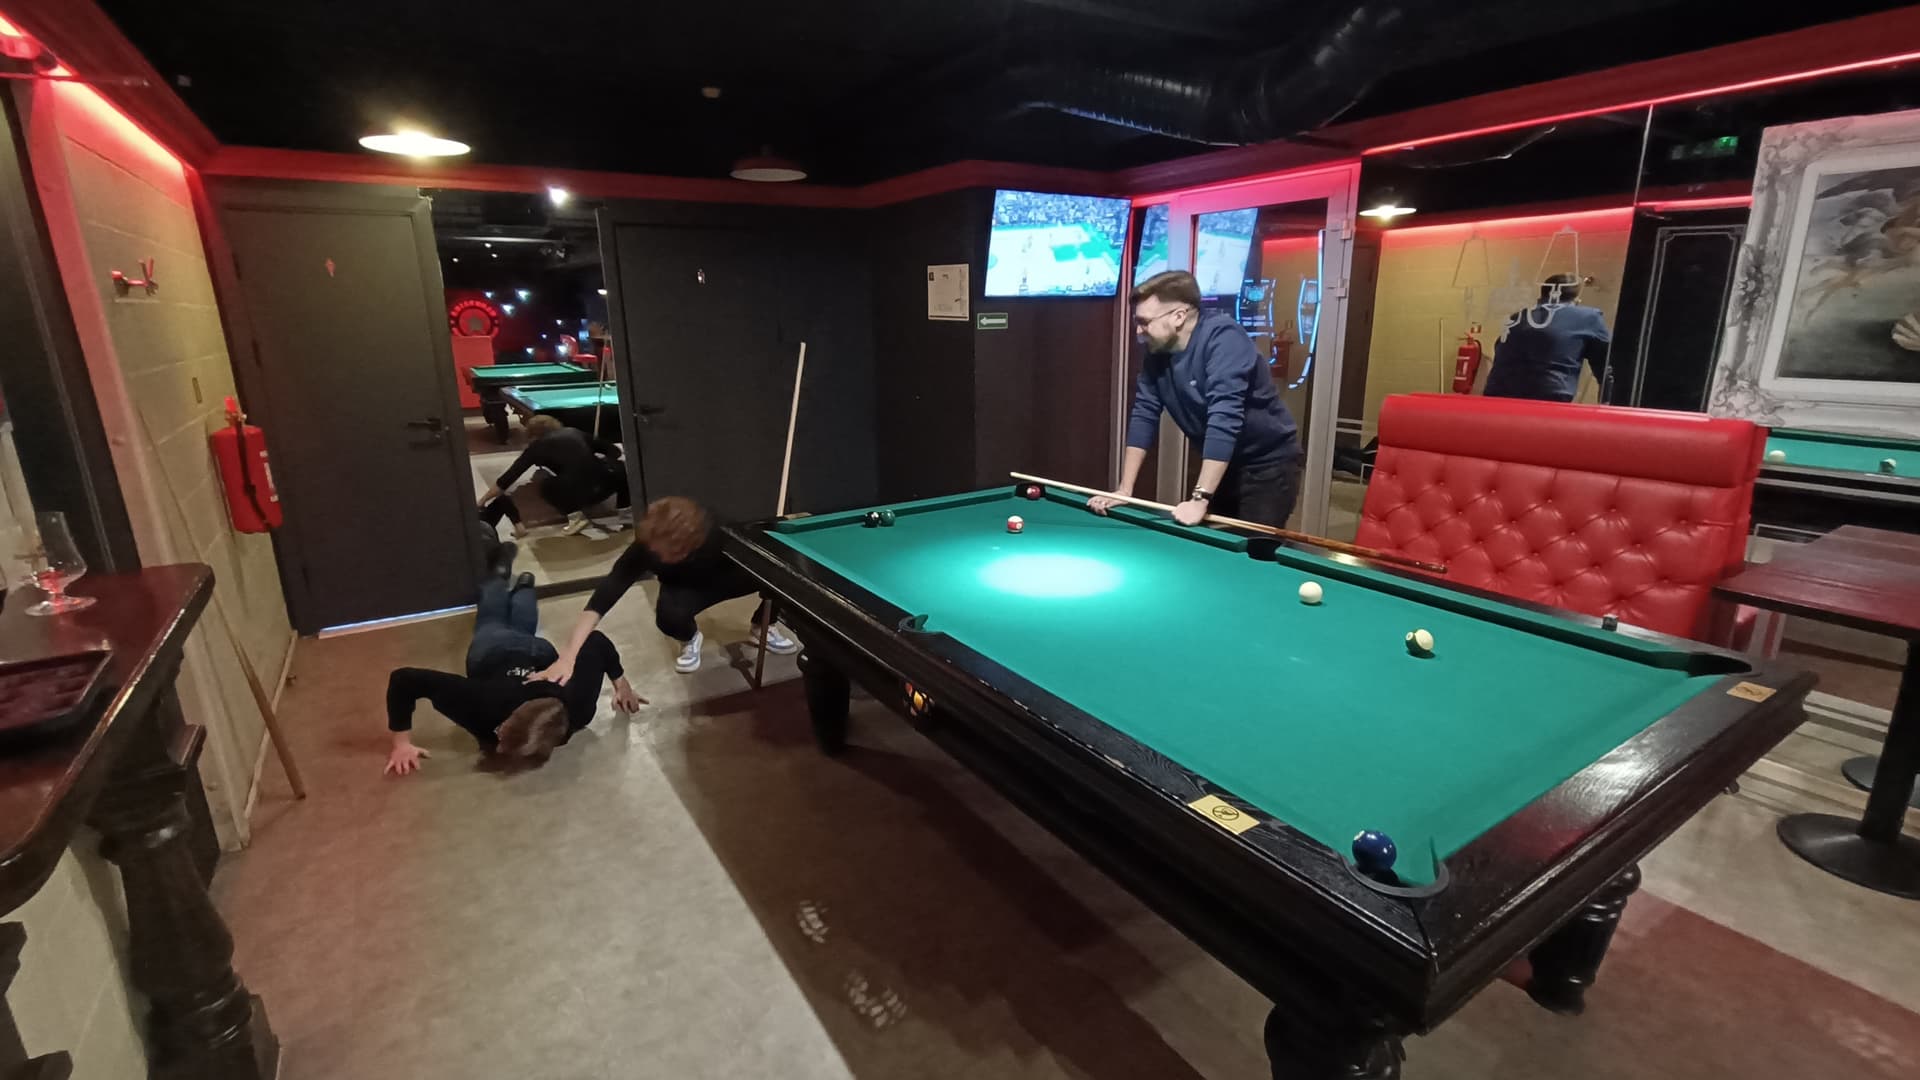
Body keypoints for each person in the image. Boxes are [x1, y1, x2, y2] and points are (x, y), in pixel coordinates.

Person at [384, 555, 645, 775]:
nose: (497, 744)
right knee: (493, 621)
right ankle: (506, 580)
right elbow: (403, 679)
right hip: (503, 651)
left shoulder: (578, 710)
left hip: (521, 651)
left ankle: (518, 583)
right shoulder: (484, 703)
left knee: (507, 624)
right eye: (501, 734)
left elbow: (597, 642)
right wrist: (401, 743)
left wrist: (621, 685)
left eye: (499, 735)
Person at [1090, 270, 1304, 529]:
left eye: (1144, 322)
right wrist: (1125, 490)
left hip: (1268, 464)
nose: (1139, 330)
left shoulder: (1224, 339)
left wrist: (1200, 498)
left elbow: (1224, 419)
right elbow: (1144, 413)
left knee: (1253, 546)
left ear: (1178, 316)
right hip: (1223, 463)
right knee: (1215, 543)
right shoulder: (1158, 351)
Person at [533, 496, 797, 681]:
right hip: (684, 586)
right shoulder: (647, 546)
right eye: (654, 550)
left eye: (668, 552)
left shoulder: (722, 534)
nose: (658, 557)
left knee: (784, 579)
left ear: (692, 544)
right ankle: (691, 638)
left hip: (731, 576)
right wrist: (568, 656)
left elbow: (772, 555)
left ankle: (762, 626)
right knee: (669, 617)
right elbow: (605, 595)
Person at [478, 415, 631, 536]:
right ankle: (628, 517)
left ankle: (576, 518)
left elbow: (507, 479)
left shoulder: (536, 447)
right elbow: (615, 451)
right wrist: (596, 456)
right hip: (607, 485)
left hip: (582, 494)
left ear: (532, 435)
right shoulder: (573, 431)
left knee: (546, 485)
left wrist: (483, 500)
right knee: (621, 468)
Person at [1482, 274, 1613, 403]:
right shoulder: (1588, 317)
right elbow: (1606, 367)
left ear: (1542, 295)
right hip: (1547, 399)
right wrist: (1608, 403)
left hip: (1497, 396)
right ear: (1576, 299)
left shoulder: (1518, 317)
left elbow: (1500, 350)